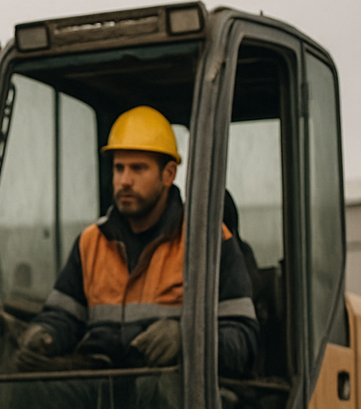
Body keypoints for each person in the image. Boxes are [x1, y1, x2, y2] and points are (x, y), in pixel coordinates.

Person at [15, 106, 259, 376]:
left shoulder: (208, 242)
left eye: (138, 169)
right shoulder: (91, 242)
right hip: (99, 386)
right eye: (119, 168)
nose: (124, 181)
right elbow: (64, 317)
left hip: (175, 387)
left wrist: (187, 340)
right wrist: (45, 333)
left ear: (168, 174)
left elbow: (242, 338)